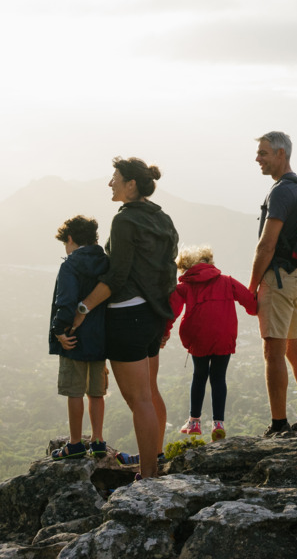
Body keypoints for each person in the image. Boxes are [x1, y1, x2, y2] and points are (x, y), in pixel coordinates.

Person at [72, 157, 178, 480]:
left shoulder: (124, 221)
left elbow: (116, 278)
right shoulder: (162, 219)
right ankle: (155, 460)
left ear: (131, 184)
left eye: (115, 177)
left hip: (126, 318)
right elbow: (168, 270)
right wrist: (164, 317)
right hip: (151, 316)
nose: (110, 183)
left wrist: (81, 309)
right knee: (151, 392)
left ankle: (147, 476)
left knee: (139, 400)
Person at [248, 131, 297, 436]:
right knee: (293, 348)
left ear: (281, 154)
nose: (258, 159)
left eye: (264, 153)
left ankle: (278, 425)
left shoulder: (280, 192)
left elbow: (267, 245)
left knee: (274, 352)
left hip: (278, 280)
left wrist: (252, 286)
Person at [164, 245, 257, 441]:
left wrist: (164, 333)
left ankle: (194, 422)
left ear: (185, 267)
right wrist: (254, 310)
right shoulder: (227, 281)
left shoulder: (185, 287)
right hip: (224, 336)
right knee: (218, 378)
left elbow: (171, 312)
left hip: (199, 337)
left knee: (199, 376)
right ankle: (218, 424)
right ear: (210, 262)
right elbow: (249, 301)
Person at [49, 215, 110, 460]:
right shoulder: (106, 262)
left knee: (74, 391)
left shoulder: (71, 264)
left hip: (74, 337)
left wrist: (59, 331)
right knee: (96, 391)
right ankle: (97, 441)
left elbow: (65, 302)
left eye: (65, 243)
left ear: (71, 238)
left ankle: (74, 444)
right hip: (100, 337)